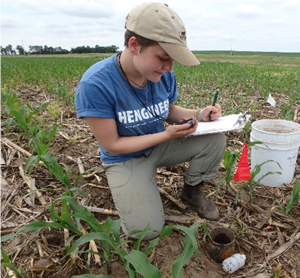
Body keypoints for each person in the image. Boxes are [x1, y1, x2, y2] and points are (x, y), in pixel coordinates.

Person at [75, 2, 226, 239]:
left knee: (214, 138)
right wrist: (166, 134)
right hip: (125, 158)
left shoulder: (162, 74)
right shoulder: (96, 84)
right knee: (145, 231)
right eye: (163, 57)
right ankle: (140, 186)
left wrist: (199, 114)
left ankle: (192, 191)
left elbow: (168, 110)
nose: (169, 67)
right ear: (134, 45)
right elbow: (112, 144)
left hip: (158, 147)